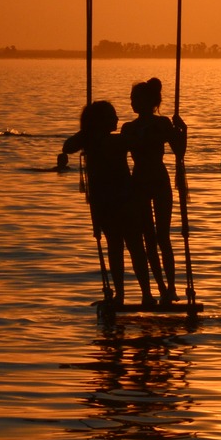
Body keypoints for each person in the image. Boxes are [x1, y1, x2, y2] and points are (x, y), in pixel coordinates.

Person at [62, 100, 161, 309]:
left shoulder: (110, 141)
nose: (117, 119)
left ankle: (140, 294)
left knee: (127, 248)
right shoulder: (101, 142)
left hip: (118, 201)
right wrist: (86, 134)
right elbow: (67, 147)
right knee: (125, 248)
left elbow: (138, 142)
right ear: (101, 122)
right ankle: (132, 295)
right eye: (112, 116)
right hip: (112, 203)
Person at [120, 78, 186, 303]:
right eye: (131, 99)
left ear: (148, 101)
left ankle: (171, 288)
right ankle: (158, 287)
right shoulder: (128, 128)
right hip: (139, 182)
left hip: (158, 180)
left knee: (162, 236)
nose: (132, 103)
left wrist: (182, 130)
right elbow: (120, 151)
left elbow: (179, 152)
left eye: (136, 99)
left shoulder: (162, 123)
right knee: (148, 237)